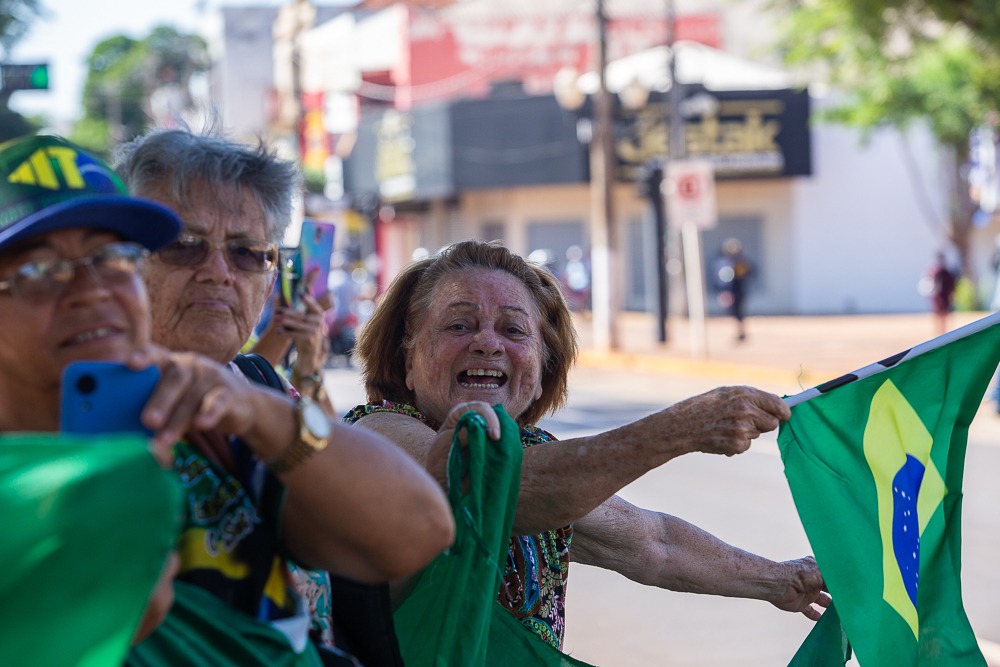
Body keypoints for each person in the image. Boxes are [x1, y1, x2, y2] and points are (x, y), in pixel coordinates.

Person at [347, 239, 828, 654]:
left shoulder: (537, 450)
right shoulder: (378, 433)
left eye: (514, 330)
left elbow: (654, 543)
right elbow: (496, 489)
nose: (488, 344)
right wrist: (679, 428)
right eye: (459, 325)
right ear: (406, 359)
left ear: (540, 375)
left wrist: (782, 579)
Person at [107, 128, 454, 662]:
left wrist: (263, 415)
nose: (218, 273)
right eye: (183, 246)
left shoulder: (261, 393)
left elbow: (420, 530)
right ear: (122, 263)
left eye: (247, 253)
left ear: (270, 280)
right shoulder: (61, 408)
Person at [713, 237, 753, 342]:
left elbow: (748, 273)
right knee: (731, 311)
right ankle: (739, 331)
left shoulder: (741, 262)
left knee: (738, 312)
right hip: (728, 291)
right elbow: (721, 277)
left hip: (738, 290)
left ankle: (741, 332)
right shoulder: (723, 262)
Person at [925, 251, 957, 336]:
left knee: (943, 318)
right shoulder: (935, 273)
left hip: (943, 298)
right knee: (938, 318)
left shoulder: (945, 273)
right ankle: (939, 334)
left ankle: (942, 334)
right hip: (938, 299)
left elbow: (951, 287)